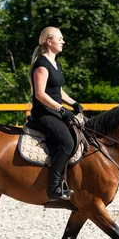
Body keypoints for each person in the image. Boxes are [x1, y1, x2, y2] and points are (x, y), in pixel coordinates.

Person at [28, 26, 84, 201]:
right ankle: (53, 187)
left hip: (54, 112)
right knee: (66, 143)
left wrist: (73, 103)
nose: (63, 42)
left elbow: (58, 91)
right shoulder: (42, 64)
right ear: (48, 41)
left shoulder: (56, 64)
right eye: (59, 39)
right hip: (43, 113)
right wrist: (61, 109)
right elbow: (40, 94)